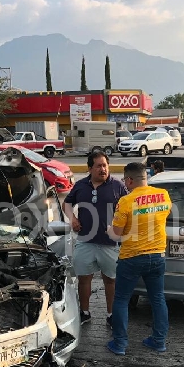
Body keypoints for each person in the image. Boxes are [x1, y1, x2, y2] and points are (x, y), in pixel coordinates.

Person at [105, 162, 172, 355]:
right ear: (146, 177)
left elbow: (116, 234)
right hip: (158, 255)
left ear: (129, 180)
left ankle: (120, 344)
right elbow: (161, 216)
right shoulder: (163, 195)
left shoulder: (126, 201)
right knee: (158, 298)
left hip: (131, 257)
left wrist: (109, 230)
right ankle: (158, 341)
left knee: (121, 300)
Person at [63, 151, 128, 326]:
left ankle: (111, 314)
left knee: (111, 280)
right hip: (85, 241)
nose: (103, 169)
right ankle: (84, 313)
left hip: (110, 243)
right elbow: (67, 203)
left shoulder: (118, 186)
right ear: (90, 168)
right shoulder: (80, 186)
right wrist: (73, 218)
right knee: (84, 279)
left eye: (105, 165)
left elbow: (128, 209)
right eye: (98, 166)